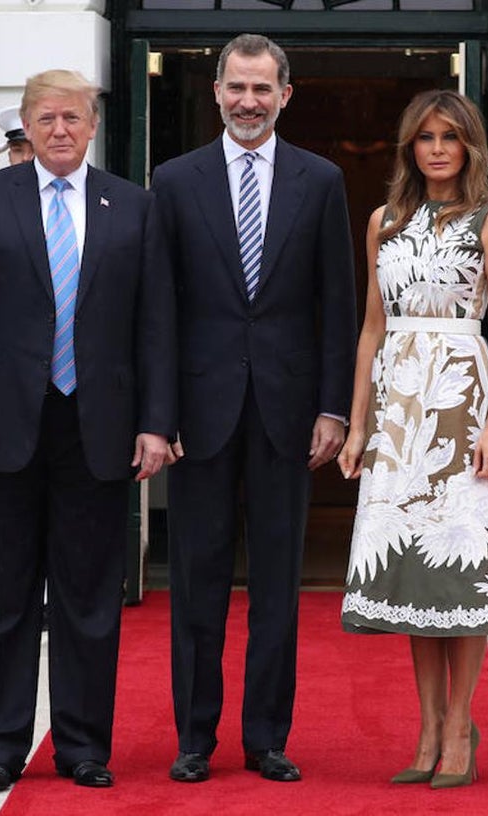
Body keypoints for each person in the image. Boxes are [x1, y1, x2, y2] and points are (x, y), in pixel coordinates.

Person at [0, 69, 176, 794]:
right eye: (46, 118)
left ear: (92, 124)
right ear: (27, 128)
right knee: (1, 596)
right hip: (0, 425)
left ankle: (82, 747)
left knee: (89, 598)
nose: (60, 129)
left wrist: (157, 423)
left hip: (98, 428)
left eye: (72, 117)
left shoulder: (132, 206)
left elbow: (156, 325)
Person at [150, 34, 357, 784]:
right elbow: (159, 309)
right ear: (215, 92)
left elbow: (339, 303)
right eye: (236, 87)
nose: (248, 101)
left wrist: (335, 409)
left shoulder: (321, 179)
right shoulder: (173, 181)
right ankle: (194, 740)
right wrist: (159, 413)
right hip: (199, 414)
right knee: (196, 581)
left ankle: (267, 736)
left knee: (277, 581)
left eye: (262, 89)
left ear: (286, 95)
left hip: (288, 411)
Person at [337, 89, 488, 790]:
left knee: (461, 574)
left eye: (450, 136)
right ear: (410, 148)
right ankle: (426, 727)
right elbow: (371, 328)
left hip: (461, 399)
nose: (438, 148)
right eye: (426, 137)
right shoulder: (384, 220)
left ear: (470, 145)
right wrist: (358, 423)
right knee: (417, 575)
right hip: (397, 410)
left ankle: (459, 726)